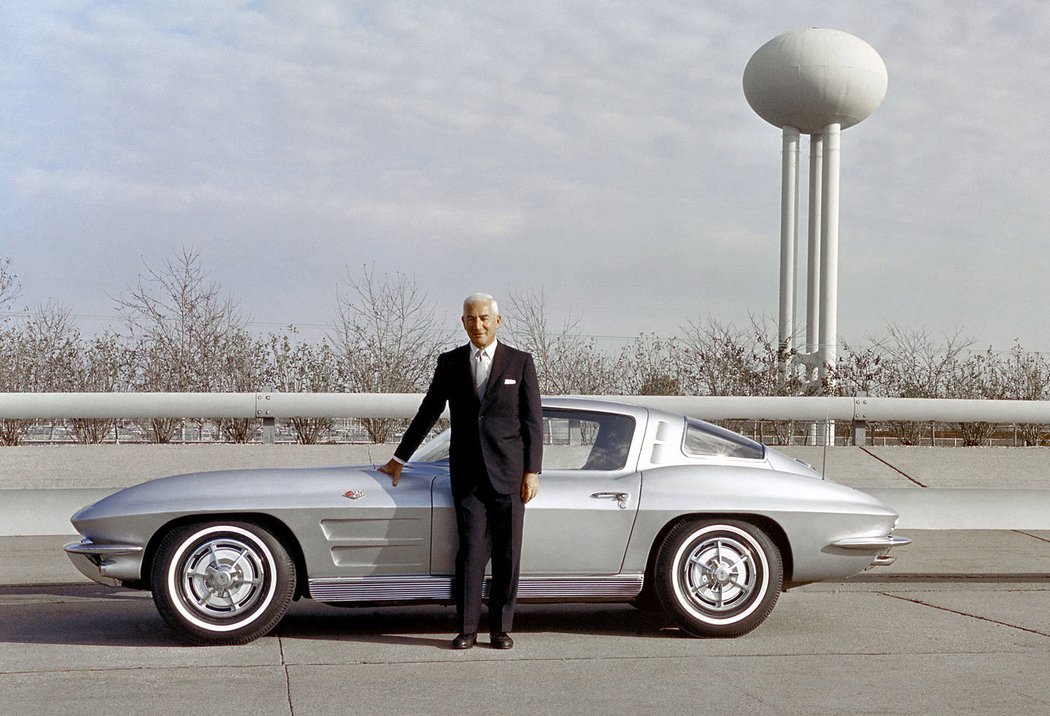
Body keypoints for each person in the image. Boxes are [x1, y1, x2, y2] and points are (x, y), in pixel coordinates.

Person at [379, 293, 542, 650]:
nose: (478, 325)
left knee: (507, 554)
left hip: (510, 476)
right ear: (463, 322)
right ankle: (467, 628)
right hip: (467, 475)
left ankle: (501, 628)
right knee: (470, 552)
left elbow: (533, 421)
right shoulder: (450, 362)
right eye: (471, 319)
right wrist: (400, 458)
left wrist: (532, 470)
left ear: (497, 321)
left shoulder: (520, 362)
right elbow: (429, 411)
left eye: (484, 318)